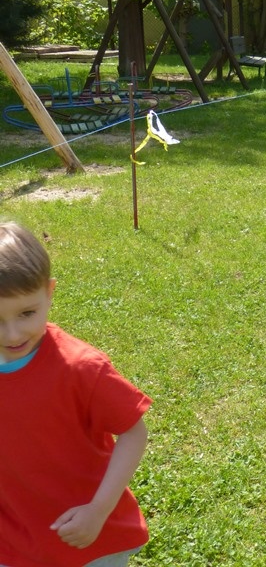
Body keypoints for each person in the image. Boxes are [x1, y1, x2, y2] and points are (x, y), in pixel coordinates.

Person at [0, 222, 152, 567]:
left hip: (85, 534)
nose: (12, 334)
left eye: (27, 313)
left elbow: (133, 432)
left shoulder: (81, 367)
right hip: (14, 534)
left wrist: (98, 509)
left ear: (49, 292)